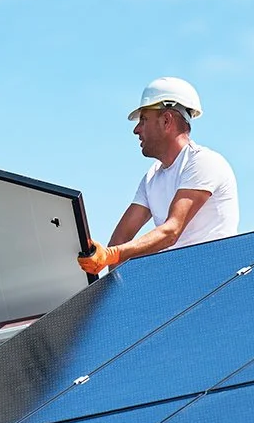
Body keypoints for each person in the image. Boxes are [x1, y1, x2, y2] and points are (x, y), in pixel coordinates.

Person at [78, 76, 238, 275]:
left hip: (214, 281)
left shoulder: (204, 162)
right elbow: (120, 240)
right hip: (177, 282)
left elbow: (171, 231)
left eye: (143, 120)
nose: (136, 129)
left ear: (166, 120)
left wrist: (112, 254)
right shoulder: (152, 178)